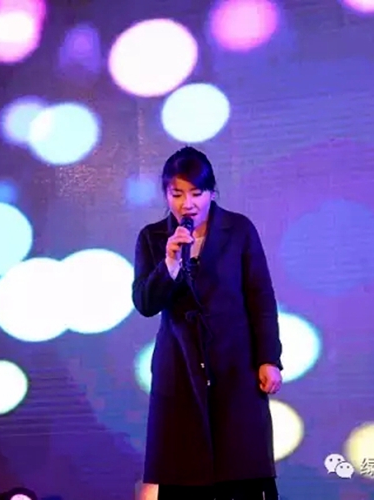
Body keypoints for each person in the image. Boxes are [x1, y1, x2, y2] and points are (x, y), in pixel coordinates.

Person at [132, 146, 283, 500]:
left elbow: (260, 297)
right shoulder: (152, 238)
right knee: (184, 470)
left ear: (212, 193)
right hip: (179, 366)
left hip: (236, 362)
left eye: (196, 193)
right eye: (177, 194)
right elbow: (145, 303)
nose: (187, 204)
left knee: (241, 466)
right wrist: (170, 263)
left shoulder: (239, 229)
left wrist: (269, 358)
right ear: (166, 195)